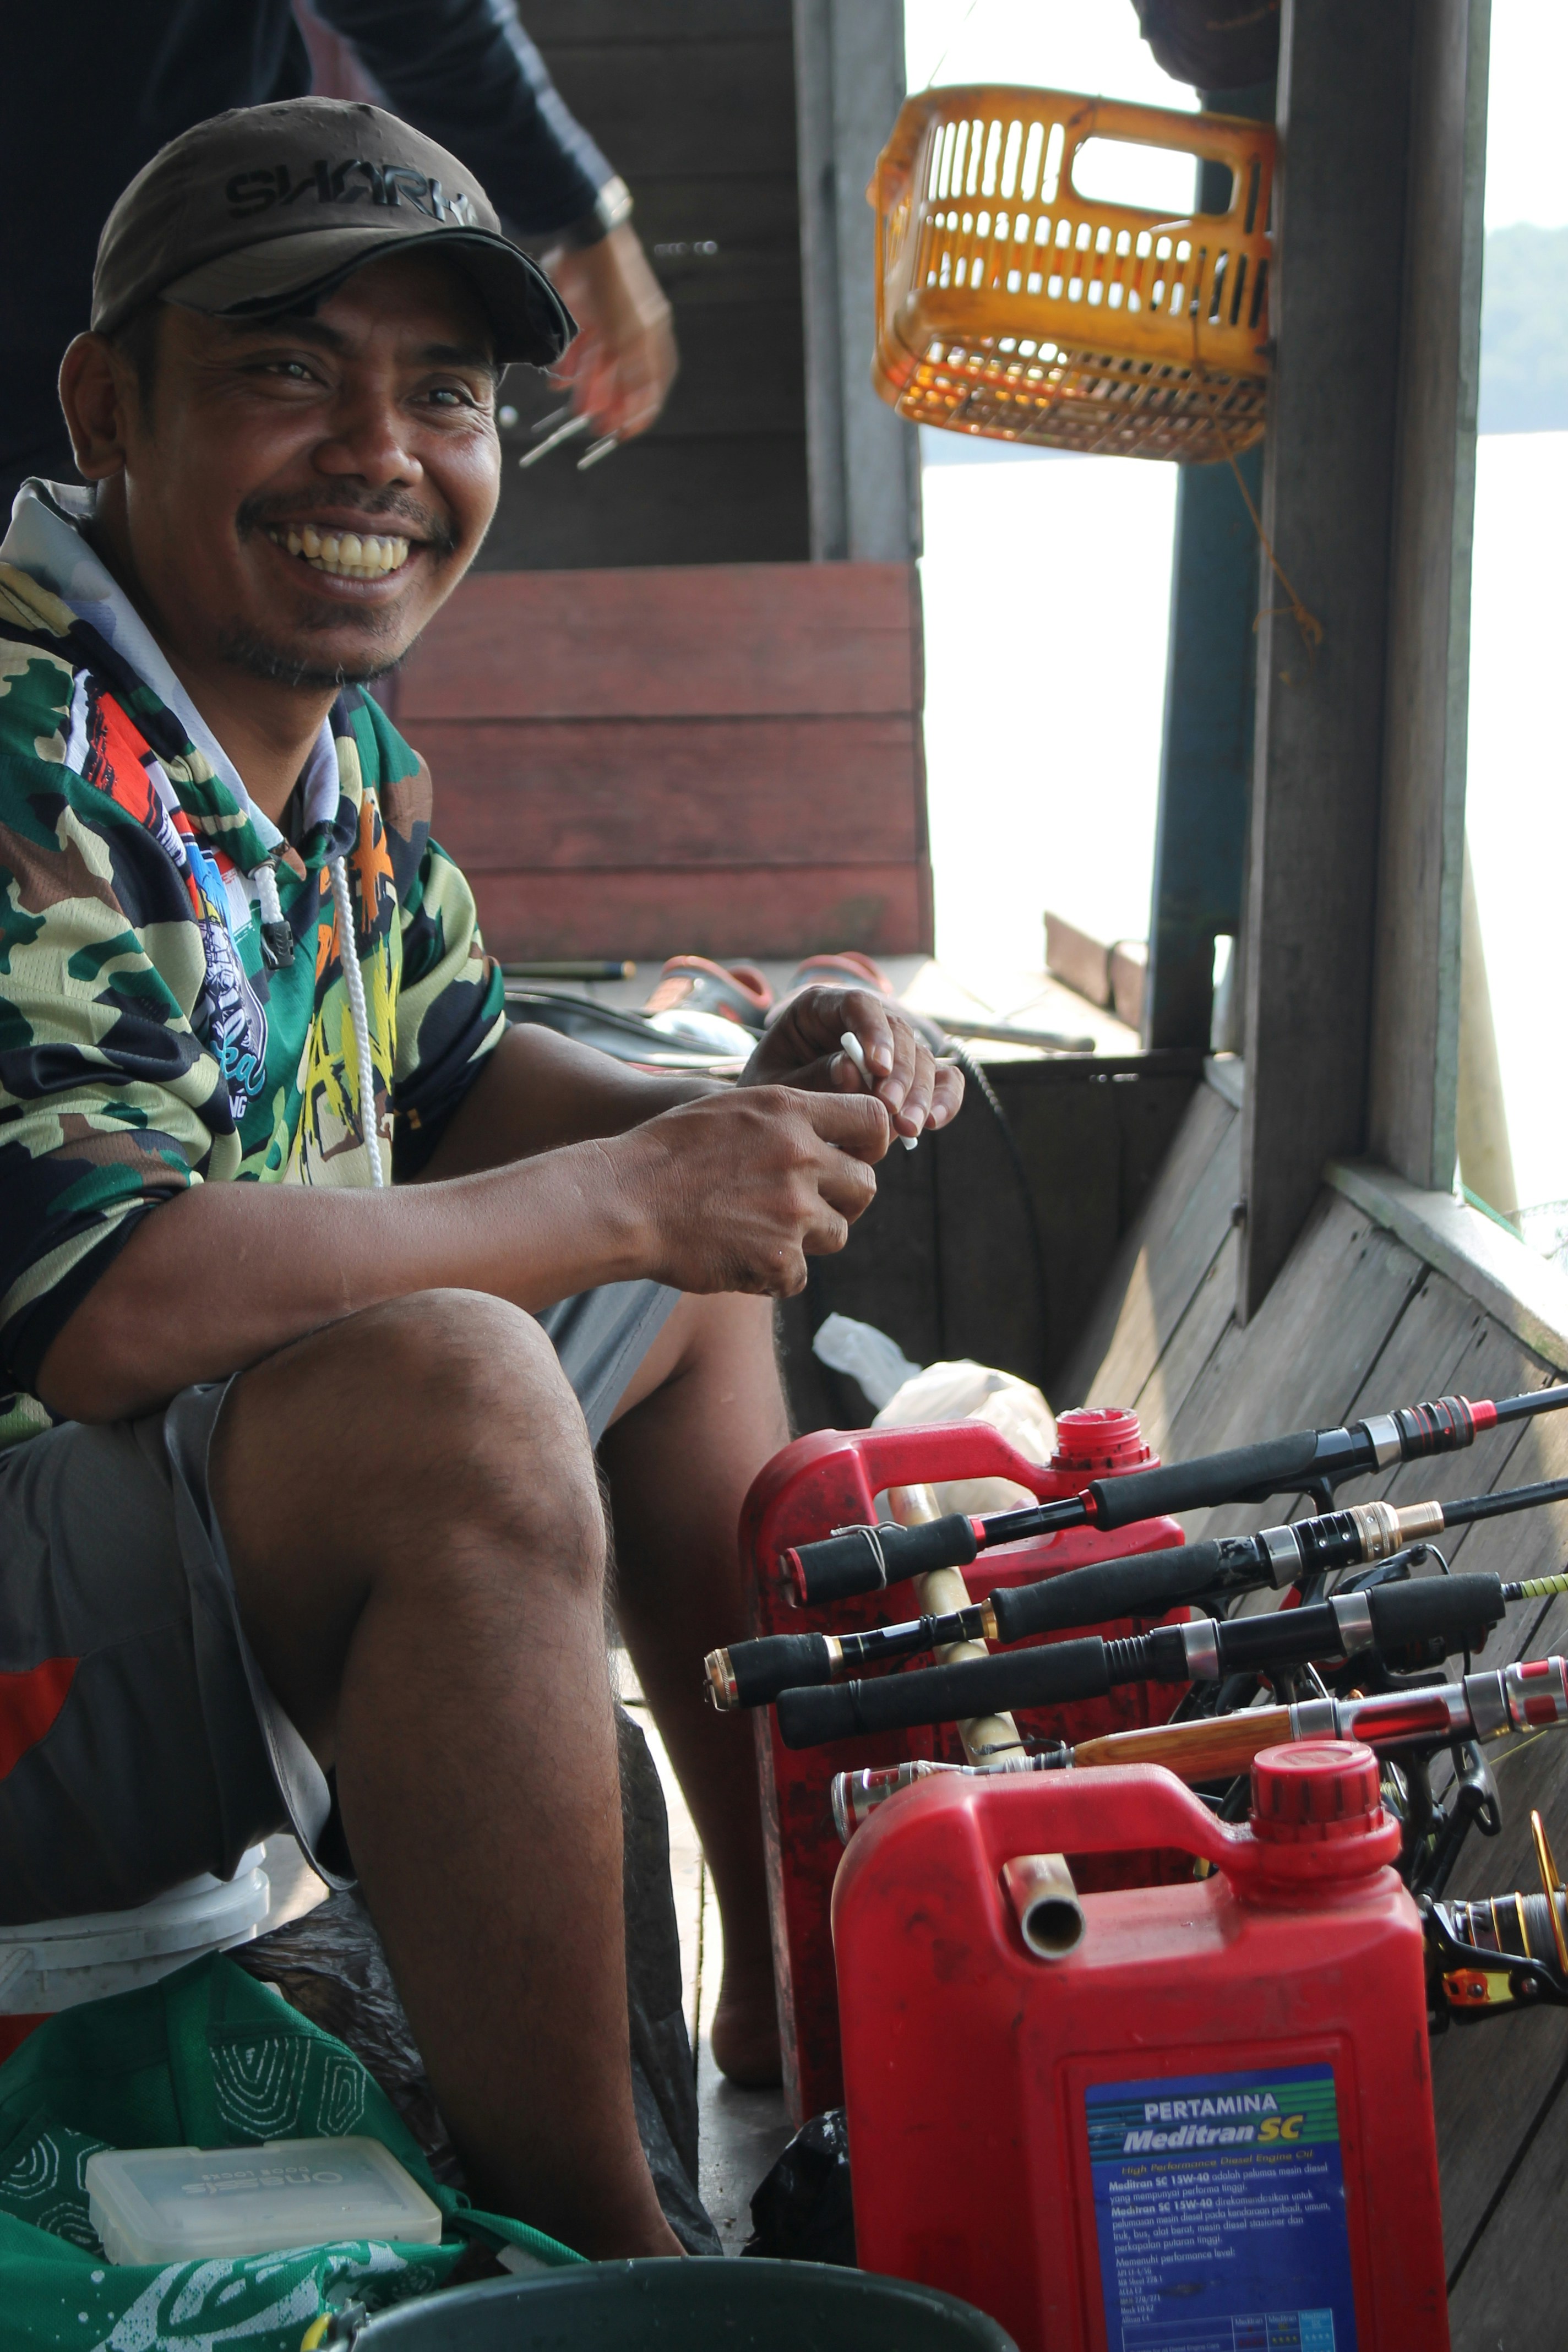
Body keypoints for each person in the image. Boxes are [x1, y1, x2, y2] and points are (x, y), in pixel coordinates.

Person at [0, 99, 963, 2260]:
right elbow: (110, 1308)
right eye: (284, 368)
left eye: (442, 390)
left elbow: (447, 1079)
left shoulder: (305, 731)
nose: (381, 448)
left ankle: (788, 2035)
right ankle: (617, 2262)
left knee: (689, 1219)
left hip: (150, 1559)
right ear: (107, 402)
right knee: (462, 1390)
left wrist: (735, 1093)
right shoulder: (24, 751)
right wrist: (635, 1190)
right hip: (28, 1676)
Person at [0, 0, 676, 514]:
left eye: (442, 395)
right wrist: (581, 214)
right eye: (299, 371)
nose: (386, 456)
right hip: (118, 308)